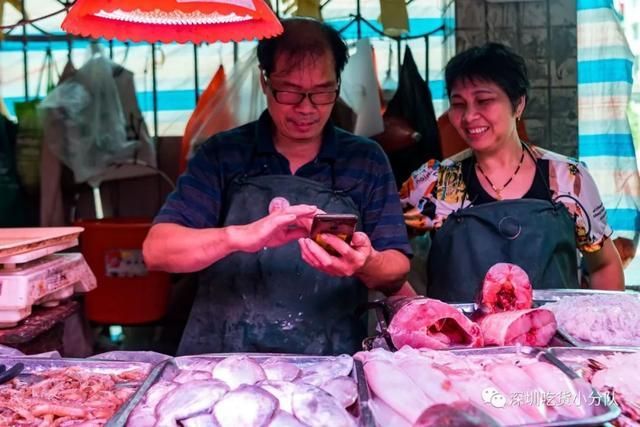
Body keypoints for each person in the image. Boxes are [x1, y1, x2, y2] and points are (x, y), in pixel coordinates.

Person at [143, 18, 411, 355]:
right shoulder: (223, 154)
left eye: (322, 92)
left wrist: (366, 262)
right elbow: (157, 251)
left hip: (328, 363)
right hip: (221, 361)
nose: (306, 108)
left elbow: (397, 266)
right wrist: (238, 236)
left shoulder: (364, 160)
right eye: (290, 91)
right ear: (264, 81)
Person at [400, 42, 624, 302]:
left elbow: (604, 265)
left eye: (484, 101)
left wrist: (604, 329)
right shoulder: (433, 183)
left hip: (552, 340)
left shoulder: (568, 178)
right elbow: (384, 251)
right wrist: (415, 311)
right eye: (458, 104)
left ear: (518, 105)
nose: (469, 116)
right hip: (461, 341)